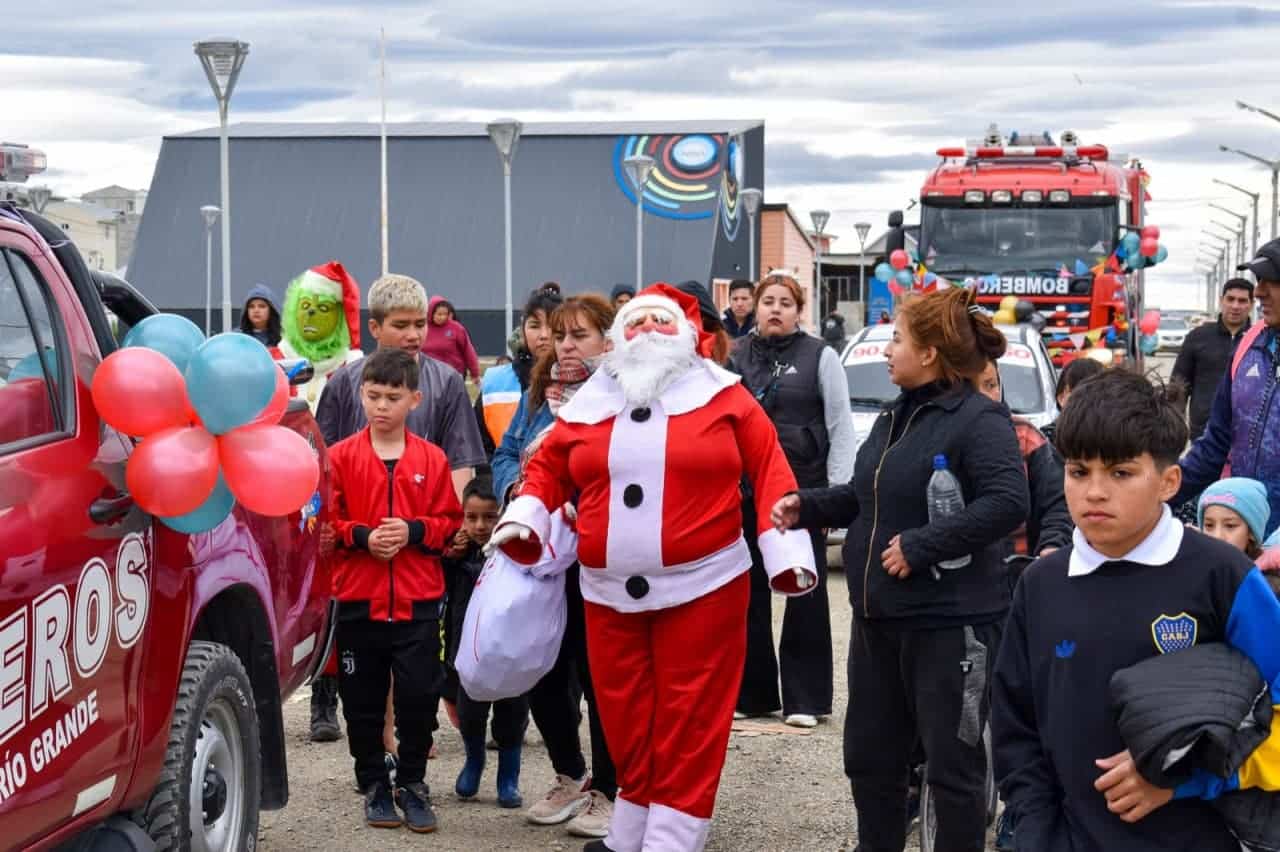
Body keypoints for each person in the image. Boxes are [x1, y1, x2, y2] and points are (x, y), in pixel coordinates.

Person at [493, 283, 816, 852]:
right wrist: (526, 517)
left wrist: (785, 556)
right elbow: (548, 467)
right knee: (623, 715)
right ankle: (632, 827)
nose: (646, 335)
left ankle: (672, 837)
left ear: (688, 338)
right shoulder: (594, 399)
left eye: (659, 324)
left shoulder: (726, 397)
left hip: (705, 588)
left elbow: (771, 472)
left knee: (690, 717)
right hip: (607, 592)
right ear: (619, 337)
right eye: (635, 324)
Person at [771, 285, 1029, 852]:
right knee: (871, 761)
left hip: (949, 627)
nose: (888, 350)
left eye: (897, 339)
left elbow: (1009, 502)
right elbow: (870, 496)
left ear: (931, 352)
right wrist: (806, 505)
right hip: (878, 623)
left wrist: (924, 545)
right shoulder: (896, 416)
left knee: (952, 770)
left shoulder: (978, 420)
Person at [991, 369, 1280, 852]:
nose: (1095, 491)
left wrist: (1185, 780)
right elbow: (1014, 728)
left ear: (1169, 481)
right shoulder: (1039, 585)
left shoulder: (1223, 577)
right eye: (1078, 471)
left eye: (1121, 472)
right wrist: (1037, 833)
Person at [312, 274, 486, 744]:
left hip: (422, 532)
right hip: (359, 537)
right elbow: (325, 466)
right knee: (365, 644)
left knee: (417, 644)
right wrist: (347, 532)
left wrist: (455, 527)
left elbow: (462, 458)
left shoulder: (446, 382)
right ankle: (371, 731)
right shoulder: (346, 383)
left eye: (420, 325)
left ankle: (412, 731)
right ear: (374, 328)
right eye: (402, 325)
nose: (413, 335)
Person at [492, 293, 620, 840]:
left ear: (609, 341)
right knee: (540, 664)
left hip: (599, 558)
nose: (565, 345)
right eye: (560, 335)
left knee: (600, 677)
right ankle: (570, 773)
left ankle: (611, 792)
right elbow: (505, 452)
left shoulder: (623, 394)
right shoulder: (539, 395)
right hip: (541, 555)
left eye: (580, 336)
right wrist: (514, 490)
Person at [327, 347, 463, 833]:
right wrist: (361, 537)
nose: (381, 406)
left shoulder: (433, 458)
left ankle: (413, 782)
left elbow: (450, 522)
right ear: (361, 395)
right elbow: (325, 525)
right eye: (373, 396)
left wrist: (413, 531)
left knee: (418, 698)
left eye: (392, 397)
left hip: (418, 602)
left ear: (414, 399)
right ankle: (373, 784)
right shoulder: (340, 458)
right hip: (360, 601)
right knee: (360, 701)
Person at [732, 274, 854, 728]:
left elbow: (841, 429)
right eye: (768, 302)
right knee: (748, 596)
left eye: (785, 302)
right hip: (744, 492)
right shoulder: (735, 356)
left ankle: (806, 699)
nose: (775, 309)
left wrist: (834, 499)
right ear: (755, 308)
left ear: (799, 310)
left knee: (805, 593)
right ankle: (755, 694)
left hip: (802, 494)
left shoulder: (821, 356)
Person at [1173, 239, 1280, 538]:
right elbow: (1216, 443)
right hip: (1244, 542)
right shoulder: (1249, 345)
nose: (1259, 291)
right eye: (1259, 280)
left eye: (1272, 281)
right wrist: (1160, 494)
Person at [444, 477, 529, 808]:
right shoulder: (456, 553)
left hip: (510, 653)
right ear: (462, 516)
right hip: (469, 653)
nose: (480, 526)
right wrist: (452, 555)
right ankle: (473, 762)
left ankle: (509, 777)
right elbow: (442, 586)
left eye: (489, 517)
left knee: (512, 714)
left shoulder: (516, 551)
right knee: (470, 713)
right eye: (471, 517)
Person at [977, 359, 1072, 559]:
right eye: (971, 388)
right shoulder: (935, 439)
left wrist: (1052, 546)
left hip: (1019, 569)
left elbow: (1057, 504)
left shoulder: (1025, 436)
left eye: (991, 385)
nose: (984, 397)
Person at [477, 284, 564, 456]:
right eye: (534, 326)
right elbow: (481, 452)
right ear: (523, 331)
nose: (544, 335)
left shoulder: (583, 382)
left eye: (552, 325)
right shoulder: (496, 382)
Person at [1172, 278, 1253, 440]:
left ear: (1251, 304)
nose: (1235, 306)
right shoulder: (1198, 337)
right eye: (1230, 299)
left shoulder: (1260, 340)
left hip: (1248, 433)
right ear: (1221, 301)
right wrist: (1173, 423)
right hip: (1204, 432)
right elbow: (1179, 385)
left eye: (1242, 300)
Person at [278, 261, 365, 409]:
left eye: (324, 308)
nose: (310, 312)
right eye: (305, 305)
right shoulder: (273, 361)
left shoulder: (354, 369)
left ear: (341, 318)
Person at [1042, 356, 1105, 443]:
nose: (1087, 402)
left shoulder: (1117, 439)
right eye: (1078, 394)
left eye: (1097, 394)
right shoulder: (1042, 442)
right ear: (1061, 397)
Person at [422, 296, 481, 384]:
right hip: (428, 376)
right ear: (430, 313)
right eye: (439, 314)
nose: (442, 317)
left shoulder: (457, 328)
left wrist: (475, 373)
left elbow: (468, 351)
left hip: (453, 375)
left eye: (445, 314)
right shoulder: (422, 327)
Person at [238, 283, 282, 350]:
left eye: (262, 306)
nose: (256, 310)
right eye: (251, 306)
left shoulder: (283, 339)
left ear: (271, 310)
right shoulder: (237, 337)